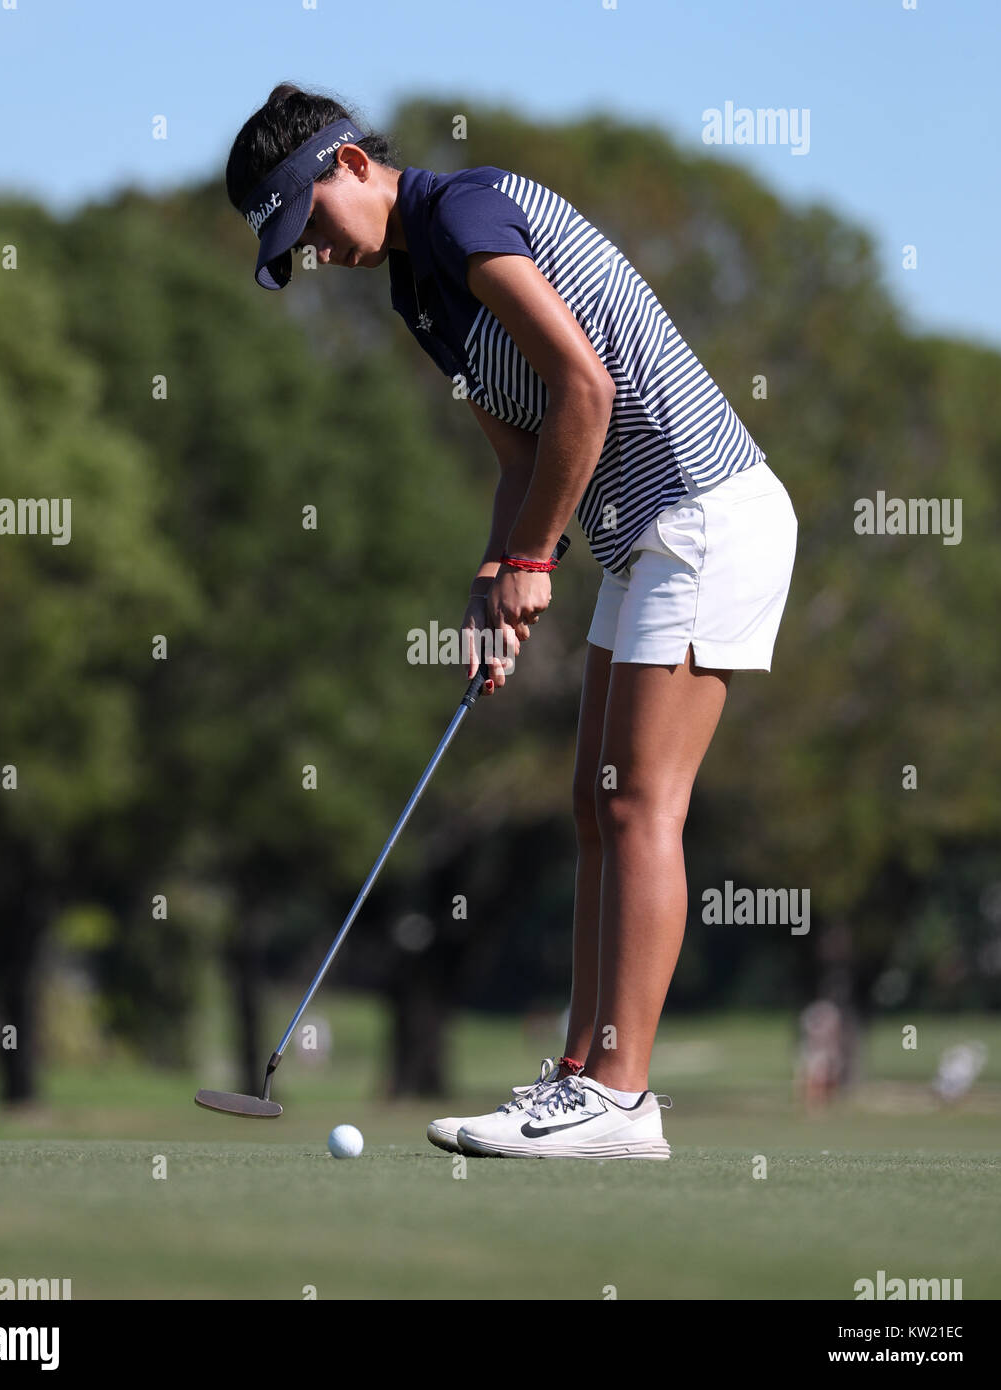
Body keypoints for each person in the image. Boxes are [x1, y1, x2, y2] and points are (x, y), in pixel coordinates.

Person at [226, 84, 798, 1160]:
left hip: (707, 511)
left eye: (308, 223)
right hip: (644, 530)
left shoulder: (463, 212)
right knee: (595, 804)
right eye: (290, 248)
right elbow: (524, 453)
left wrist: (535, 556)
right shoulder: (418, 290)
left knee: (639, 808)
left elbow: (585, 389)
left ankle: (622, 1098)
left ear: (350, 164)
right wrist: (494, 576)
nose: (314, 252)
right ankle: (582, 1076)